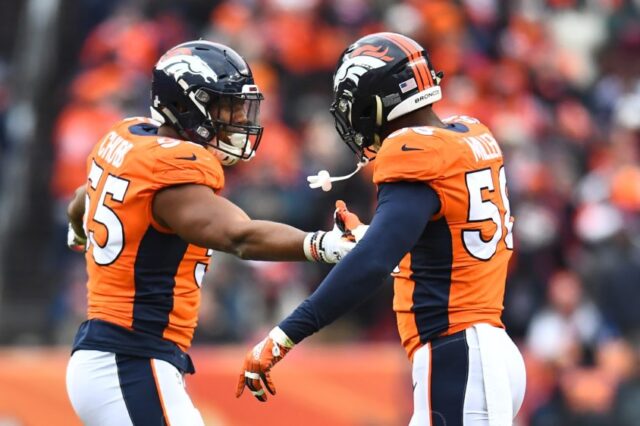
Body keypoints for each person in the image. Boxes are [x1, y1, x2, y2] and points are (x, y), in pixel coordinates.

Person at [64, 40, 360, 426]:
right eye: (227, 106)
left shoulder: (129, 139)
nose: (238, 117)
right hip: (129, 360)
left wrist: (78, 232)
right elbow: (239, 236)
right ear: (187, 105)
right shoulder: (172, 168)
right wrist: (322, 244)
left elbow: (80, 199)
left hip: (118, 357)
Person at [237, 32, 527, 426]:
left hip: (459, 353)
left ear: (378, 100)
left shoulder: (414, 150)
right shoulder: (470, 134)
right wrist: (372, 235)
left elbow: (372, 264)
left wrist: (284, 335)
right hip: (482, 349)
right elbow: (441, 248)